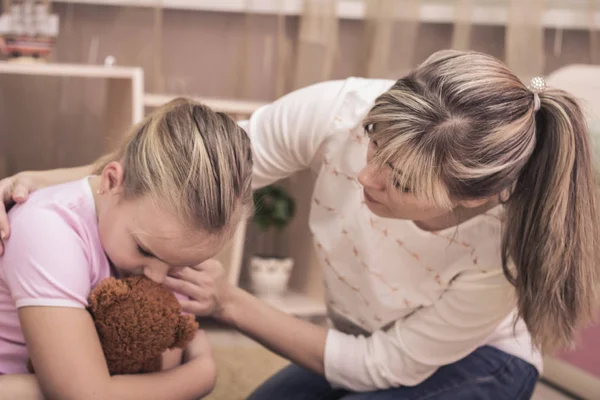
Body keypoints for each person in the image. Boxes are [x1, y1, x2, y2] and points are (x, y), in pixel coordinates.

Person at [1, 50, 598, 400]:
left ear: (480, 198)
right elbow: (183, 166)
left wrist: (231, 305)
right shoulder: (343, 111)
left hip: (473, 362)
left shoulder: (506, 251)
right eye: (374, 144)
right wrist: (40, 179)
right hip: (353, 333)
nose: (366, 178)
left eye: (402, 183)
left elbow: (382, 367)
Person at [0, 98, 253, 400]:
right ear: (110, 181)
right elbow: (85, 395)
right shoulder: (47, 229)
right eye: (144, 250)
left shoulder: (170, 239)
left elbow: (160, 356)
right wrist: (201, 372)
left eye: (180, 265)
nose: (158, 279)